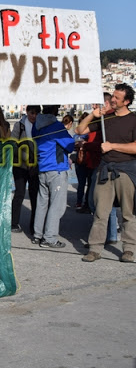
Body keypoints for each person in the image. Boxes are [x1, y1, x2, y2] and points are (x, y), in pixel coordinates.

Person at [77, 83, 136, 262]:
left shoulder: (134, 120)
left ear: (126, 101)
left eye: (117, 98)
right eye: (112, 96)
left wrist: (113, 146)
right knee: (100, 212)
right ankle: (95, 249)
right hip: (105, 169)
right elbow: (80, 130)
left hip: (126, 170)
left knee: (128, 213)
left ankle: (129, 249)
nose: (112, 99)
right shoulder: (105, 118)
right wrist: (92, 115)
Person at [32, 105, 74, 248]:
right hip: (56, 168)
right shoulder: (57, 126)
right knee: (57, 205)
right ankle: (49, 238)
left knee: (42, 203)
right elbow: (69, 145)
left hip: (42, 167)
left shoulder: (36, 126)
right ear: (56, 111)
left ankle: (37, 234)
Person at [10, 105, 40, 234]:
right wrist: (25, 156)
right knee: (19, 193)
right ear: (27, 112)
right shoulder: (19, 125)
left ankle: (34, 226)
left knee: (35, 195)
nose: (34, 116)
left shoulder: (40, 126)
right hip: (20, 166)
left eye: (36, 113)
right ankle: (14, 223)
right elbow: (12, 143)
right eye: (32, 113)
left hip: (35, 166)